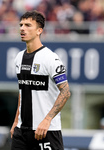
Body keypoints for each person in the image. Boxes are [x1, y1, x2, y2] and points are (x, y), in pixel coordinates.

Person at [10, 10, 71, 150]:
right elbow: (22, 91)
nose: (22, 28)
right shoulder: (19, 57)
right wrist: (15, 122)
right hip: (21, 131)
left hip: (45, 131)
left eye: (27, 25)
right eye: (21, 25)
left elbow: (66, 91)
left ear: (39, 30)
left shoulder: (50, 58)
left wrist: (47, 120)